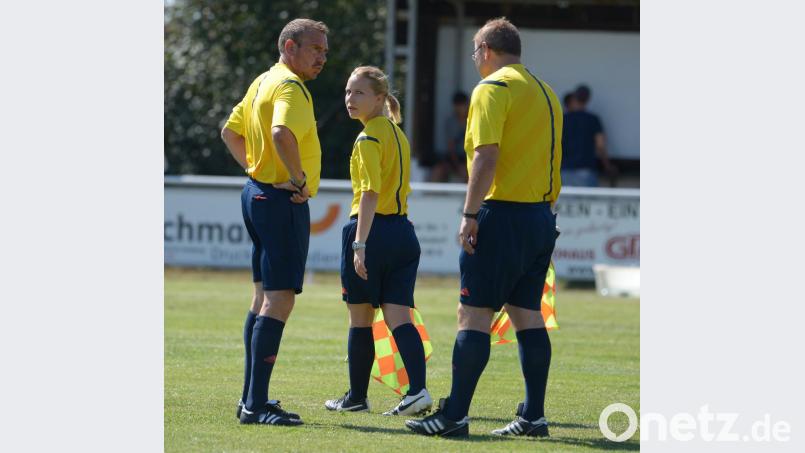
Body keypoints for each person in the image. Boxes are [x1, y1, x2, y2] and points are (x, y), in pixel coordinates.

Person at [406, 17, 562, 438]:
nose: (476, 60)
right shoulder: (547, 93)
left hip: (502, 215)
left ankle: (454, 415)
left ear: (487, 50)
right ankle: (534, 416)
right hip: (540, 217)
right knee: (527, 316)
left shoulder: (492, 88)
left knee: (472, 314)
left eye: (476, 53)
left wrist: (469, 213)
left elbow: (486, 156)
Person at [220, 18, 329, 426]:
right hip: (281, 199)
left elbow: (229, 132)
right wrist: (297, 178)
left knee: (263, 296)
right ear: (289, 47)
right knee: (280, 298)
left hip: (257, 194)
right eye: (314, 48)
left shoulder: (263, 80)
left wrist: (255, 168)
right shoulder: (290, 87)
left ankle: (250, 398)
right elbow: (282, 132)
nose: (322, 57)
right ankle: (256, 404)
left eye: (324, 51)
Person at [324, 66, 432, 416]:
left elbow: (370, 193)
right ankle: (418, 391)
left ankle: (356, 397)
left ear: (381, 99)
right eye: (347, 92)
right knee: (399, 317)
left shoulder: (369, 137)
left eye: (359, 93)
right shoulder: (397, 135)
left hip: (374, 233)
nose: (350, 100)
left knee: (360, 319)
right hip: (403, 232)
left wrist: (359, 244)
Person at [560, 84, 617, 187]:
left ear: (574, 98)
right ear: (588, 99)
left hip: (564, 170)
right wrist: (607, 166)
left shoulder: (562, 119)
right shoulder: (593, 119)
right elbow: (600, 145)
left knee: (564, 203)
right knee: (588, 203)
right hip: (586, 171)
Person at [429, 92, 469, 182]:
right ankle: (429, 194)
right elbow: (451, 146)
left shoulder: (473, 120)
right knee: (437, 171)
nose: (459, 108)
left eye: (462, 105)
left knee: (467, 172)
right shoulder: (451, 122)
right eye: (457, 105)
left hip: (468, 156)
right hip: (454, 157)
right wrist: (456, 165)